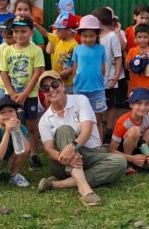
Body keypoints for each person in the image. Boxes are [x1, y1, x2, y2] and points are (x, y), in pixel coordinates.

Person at [37, 70, 127, 207]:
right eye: (46, 88)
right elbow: (49, 149)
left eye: (55, 84)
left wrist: (73, 147)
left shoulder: (80, 100)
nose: (51, 90)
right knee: (63, 130)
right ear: (43, 93)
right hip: (62, 162)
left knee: (120, 162)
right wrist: (63, 155)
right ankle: (85, 190)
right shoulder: (44, 120)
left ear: (62, 85)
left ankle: (57, 184)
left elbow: (87, 131)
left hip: (91, 153)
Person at [0, 15, 45, 170]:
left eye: (23, 31)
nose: (19, 35)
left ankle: (34, 153)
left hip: (29, 95)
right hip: (10, 94)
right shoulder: (7, 50)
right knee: (8, 123)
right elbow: (3, 72)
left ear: (31, 32)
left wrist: (25, 93)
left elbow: (37, 73)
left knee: (31, 125)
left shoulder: (36, 50)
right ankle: (9, 152)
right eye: (16, 31)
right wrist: (11, 92)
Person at [70, 15, 109, 141]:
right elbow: (75, 68)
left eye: (91, 36)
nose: (88, 39)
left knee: (97, 120)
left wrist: (97, 80)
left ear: (97, 35)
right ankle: (82, 144)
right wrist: (75, 80)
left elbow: (103, 68)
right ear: (80, 35)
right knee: (80, 119)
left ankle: (99, 145)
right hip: (80, 89)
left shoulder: (101, 49)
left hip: (97, 90)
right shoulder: (77, 49)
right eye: (85, 36)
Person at [109, 87, 149, 172]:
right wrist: (131, 158)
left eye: (146, 104)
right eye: (139, 103)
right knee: (135, 130)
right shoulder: (122, 122)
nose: (143, 107)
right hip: (125, 151)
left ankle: (148, 160)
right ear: (131, 105)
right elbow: (112, 150)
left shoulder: (148, 119)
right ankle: (128, 163)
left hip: (140, 147)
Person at [94, 7, 125, 139]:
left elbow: (118, 57)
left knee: (111, 104)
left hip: (110, 77)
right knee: (99, 103)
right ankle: (99, 126)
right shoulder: (94, 36)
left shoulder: (112, 36)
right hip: (96, 78)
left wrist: (117, 75)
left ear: (100, 21)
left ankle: (109, 128)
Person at [125, 23, 149, 96]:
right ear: (135, 38)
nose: (142, 40)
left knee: (148, 105)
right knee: (134, 105)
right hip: (135, 85)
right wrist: (135, 60)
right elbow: (126, 67)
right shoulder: (132, 51)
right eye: (139, 37)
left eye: (145, 37)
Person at [47, 12, 79, 93]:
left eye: (59, 29)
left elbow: (77, 65)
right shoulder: (59, 40)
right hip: (57, 81)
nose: (56, 31)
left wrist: (64, 73)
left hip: (68, 85)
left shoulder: (74, 46)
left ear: (68, 31)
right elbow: (46, 34)